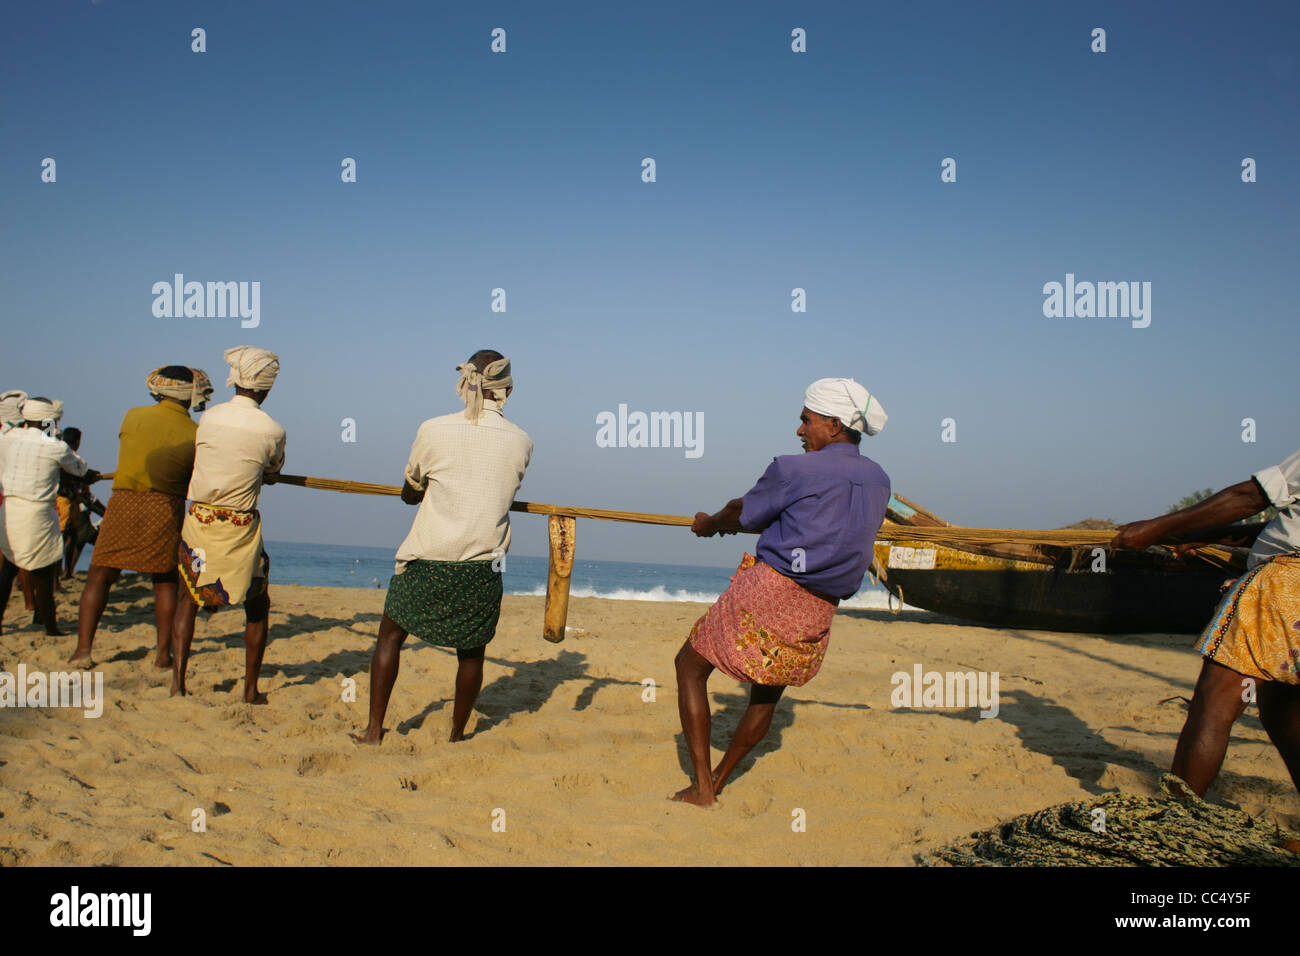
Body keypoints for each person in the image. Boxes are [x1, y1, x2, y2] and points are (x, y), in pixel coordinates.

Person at [672, 378, 891, 807]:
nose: (799, 430)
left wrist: (709, 524)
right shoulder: (880, 479)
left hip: (772, 591)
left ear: (832, 424)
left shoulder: (794, 468)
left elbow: (743, 511)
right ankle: (718, 780)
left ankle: (701, 787)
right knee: (767, 690)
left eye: (805, 421)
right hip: (819, 607)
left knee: (689, 666)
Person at [352, 350, 531, 745]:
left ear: (465, 384)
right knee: (471, 652)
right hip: (482, 564)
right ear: (508, 391)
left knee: (390, 637)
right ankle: (455, 734)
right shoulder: (522, 442)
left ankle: (372, 731)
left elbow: (410, 493)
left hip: (428, 556)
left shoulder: (432, 429)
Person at [1111, 449, 1300, 795]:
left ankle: (1177, 820)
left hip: (1286, 587)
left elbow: (1251, 496)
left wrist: (1155, 528)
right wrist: (1211, 534)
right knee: (1282, 709)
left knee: (1214, 704)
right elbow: (1284, 526)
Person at [171, 349, 285, 703]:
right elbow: (272, 471)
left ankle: (178, 684)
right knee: (257, 606)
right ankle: (249, 690)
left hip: (200, 519)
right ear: (266, 389)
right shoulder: (272, 430)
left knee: (187, 598)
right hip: (240, 526)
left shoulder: (208, 419)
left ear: (234, 381)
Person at [70, 367, 202, 667]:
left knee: (100, 574)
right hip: (165, 507)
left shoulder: (133, 416)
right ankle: (161, 656)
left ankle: (83, 651)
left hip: (124, 501)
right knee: (165, 581)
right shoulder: (196, 433)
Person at [0, 398, 98, 635]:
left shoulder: (6, 439)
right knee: (44, 573)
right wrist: (89, 476)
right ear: (48, 421)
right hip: (37, 513)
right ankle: (50, 626)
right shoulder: (54, 446)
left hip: (9, 511)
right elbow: (79, 468)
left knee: (8, 570)